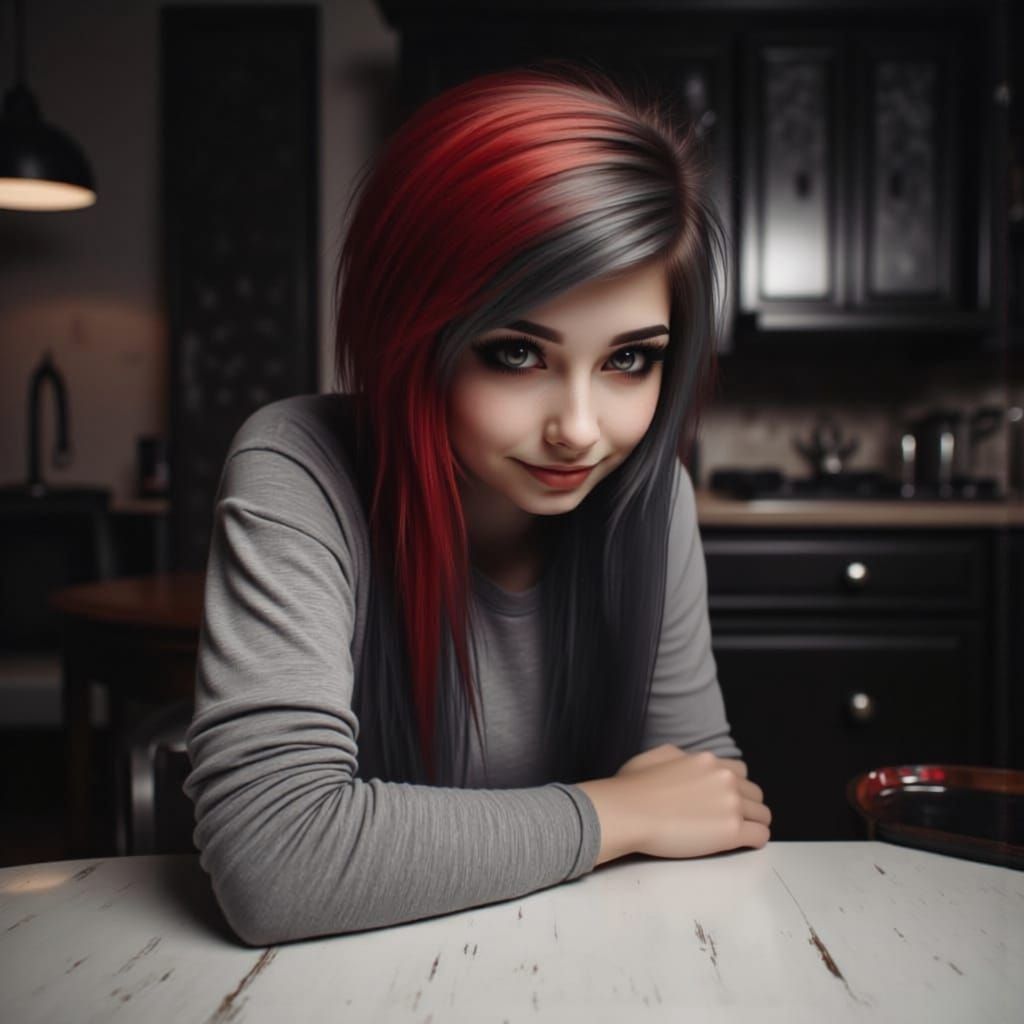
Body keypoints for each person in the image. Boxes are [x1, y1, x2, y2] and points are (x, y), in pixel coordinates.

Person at [183, 62, 772, 947]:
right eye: (516, 353)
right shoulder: (298, 466)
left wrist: (654, 814)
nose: (578, 429)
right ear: (411, 335)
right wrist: (615, 814)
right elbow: (276, 859)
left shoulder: (652, 499)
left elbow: (707, 803)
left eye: (628, 360)